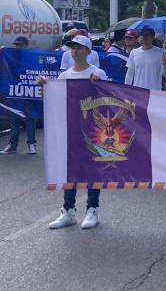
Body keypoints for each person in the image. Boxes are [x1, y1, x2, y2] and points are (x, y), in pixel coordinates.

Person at [36, 35, 107, 229]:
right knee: (69, 170)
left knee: (92, 170)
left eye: (79, 48)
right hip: (70, 128)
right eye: (72, 48)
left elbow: (107, 99)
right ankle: (68, 211)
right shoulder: (65, 75)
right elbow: (51, 100)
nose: (74, 51)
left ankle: (92, 209)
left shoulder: (97, 72)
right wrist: (44, 86)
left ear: (88, 52)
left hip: (92, 129)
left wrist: (98, 84)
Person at [0, 36, 38, 155]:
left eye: (20, 45)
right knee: (15, 120)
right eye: (16, 45)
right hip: (16, 93)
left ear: (26, 45)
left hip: (28, 93)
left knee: (30, 120)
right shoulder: (10, 56)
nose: (18, 47)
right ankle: (13, 145)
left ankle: (31, 144)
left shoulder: (32, 56)